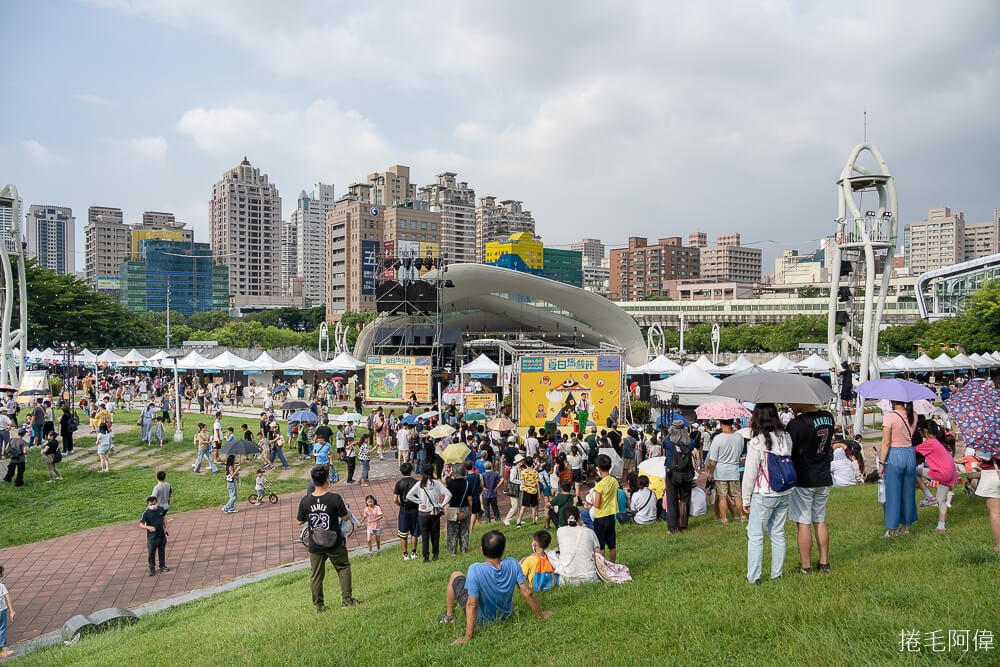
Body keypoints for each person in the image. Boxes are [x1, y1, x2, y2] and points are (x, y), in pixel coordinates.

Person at [440, 530, 552, 644]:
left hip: (481, 621)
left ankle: (449, 616)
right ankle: (450, 616)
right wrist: (541, 615)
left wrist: (467, 637)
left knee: (456, 575)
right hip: (505, 615)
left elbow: (472, 604)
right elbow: (528, 592)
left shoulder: (475, 569)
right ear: (503, 550)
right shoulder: (513, 563)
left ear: (482, 549)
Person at [741, 403, 794, 584]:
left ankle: (754, 576)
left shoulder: (756, 442)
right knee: (778, 533)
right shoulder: (786, 437)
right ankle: (776, 573)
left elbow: (750, 474)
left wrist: (746, 499)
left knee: (756, 536)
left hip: (763, 493)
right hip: (784, 491)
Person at [297, 465, 360, 611]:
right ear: (327, 479)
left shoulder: (305, 500)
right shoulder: (335, 498)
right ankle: (346, 600)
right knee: (343, 567)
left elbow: (299, 521)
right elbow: (345, 516)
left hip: (315, 543)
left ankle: (319, 606)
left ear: (312, 480)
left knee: (316, 575)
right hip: (334, 541)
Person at [787, 402, 835, 574]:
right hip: (823, 474)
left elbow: (788, 449)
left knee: (804, 522)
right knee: (819, 519)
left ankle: (806, 566)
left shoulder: (797, 424)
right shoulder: (828, 418)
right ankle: (824, 562)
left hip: (804, 476)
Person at [878, 400, 918, 537]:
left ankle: (892, 529)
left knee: (892, 494)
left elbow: (886, 442)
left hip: (894, 454)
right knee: (908, 492)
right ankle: (906, 527)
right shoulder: (914, 414)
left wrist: (882, 462)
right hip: (909, 454)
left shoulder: (890, 416)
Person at [914, 418, 959, 532]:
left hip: (942, 473)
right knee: (941, 499)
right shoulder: (937, 442)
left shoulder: (930, 443)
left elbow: (911, 451)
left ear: (925, 431)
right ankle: (941, 526)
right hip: (950, 473)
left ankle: (928, 496)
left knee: (913, 471)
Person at [406, 464, 452, 562]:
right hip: (434, 512)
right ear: (432, 472)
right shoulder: (437, 483)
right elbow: (449, 494)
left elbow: (409, 496)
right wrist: (441, 505)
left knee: (425, 536)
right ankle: (436, 554)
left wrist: (420, 502)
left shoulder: (419, 484)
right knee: (435, 535)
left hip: (423, 513)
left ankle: (426, 557)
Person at [706, 419, 746, 523]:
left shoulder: (718, 438)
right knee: (737, 495)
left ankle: (724, 518)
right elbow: (741, 451)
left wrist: (711, 472)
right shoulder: (739, 436)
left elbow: (712, 460)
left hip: (721, 472)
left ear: (721, 423)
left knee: (722, 497)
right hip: (734, 469)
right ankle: (742, 516)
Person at [554, 506, 601, 585]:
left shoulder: (560, 531)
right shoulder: (589, 532)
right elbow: (599, 555)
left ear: (563, 519)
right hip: (589, 578)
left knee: (553, 552)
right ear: (580, 516)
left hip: (565, 579)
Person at [589, 453, 620, 562]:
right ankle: (613, 564)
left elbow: (597, 504)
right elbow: (615, 497)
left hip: (600, 517)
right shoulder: (614, 481)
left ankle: (604, 567)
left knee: (601, 545)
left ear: (597, 468)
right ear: (610, 466)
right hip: (611, 515)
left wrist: (591, 500)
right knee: (612, 545)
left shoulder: (599, 485)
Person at [664, 430, 695, 534]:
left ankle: (672, 527)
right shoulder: (689, 442)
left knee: (671, 499)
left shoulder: (668, 441)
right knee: (685, 498)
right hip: (686, 473)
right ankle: (683, 523)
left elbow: (663, 443)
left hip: (672, 473)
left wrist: (669, 433)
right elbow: (693, 443)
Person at [393, 462, 421, 561]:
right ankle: (414, 552)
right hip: (415, 510)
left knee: (403, 534)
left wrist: (400, 505)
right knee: (414, 533)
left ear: (401, 471)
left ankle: (405, 555)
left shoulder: (399, 483)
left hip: (404, 511)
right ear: (411, 470)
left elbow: (395, 499)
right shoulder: (416, 482)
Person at [445, 465, 473, 555]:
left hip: (453, 508)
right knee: (464, 530)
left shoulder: (450, 484)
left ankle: (452, 551)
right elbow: (470, 499)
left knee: (452, 531)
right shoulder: (467, 483)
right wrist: (470, 509)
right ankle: (464, 550)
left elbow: (448, 498)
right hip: (464, 508)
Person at [139, 495, 170, 576]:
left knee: (162, 550)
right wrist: (149, 527)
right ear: (148, 504)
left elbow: (163, 518)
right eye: (151, 505)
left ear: (157, 503)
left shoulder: (160, 509)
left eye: (154, 504)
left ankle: (162, 565)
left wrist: (166, 528)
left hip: (161, 535)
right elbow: (141, 525)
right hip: (152, 537)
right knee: (151, 553)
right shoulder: (146, 513)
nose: (153, 506)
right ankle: (152, 568)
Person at [517, 456, 540, 528]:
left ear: (525, 464)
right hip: (534, 492)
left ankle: (519, 522)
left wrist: (530, 485)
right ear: (532, 463)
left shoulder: (523, 472)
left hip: (527, 491)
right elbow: (537, 484)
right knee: (534, 507)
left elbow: (523, 483)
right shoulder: (535, 472)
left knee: (523, 507)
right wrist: (539, 494)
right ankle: (533, 521)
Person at [0, 564, 15, 659]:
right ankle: (1, 651)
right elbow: (7, 598)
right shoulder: (1, 586)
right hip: (1, 611)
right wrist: (12, 611)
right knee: (2, 629)